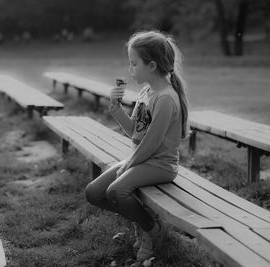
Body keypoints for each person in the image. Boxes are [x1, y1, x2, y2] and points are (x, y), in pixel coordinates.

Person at [85, 30, 189, 262]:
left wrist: (128, 166)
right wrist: (115, 108)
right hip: (142, 159)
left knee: (116, 191)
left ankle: (153, 230)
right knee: (94, 193)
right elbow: (135, 132)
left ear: (151, 66)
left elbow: (151, 144)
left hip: (160, 164)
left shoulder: (165, 99)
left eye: (134, 64)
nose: (130, 69)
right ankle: (142, 220)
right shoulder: (146, 91)